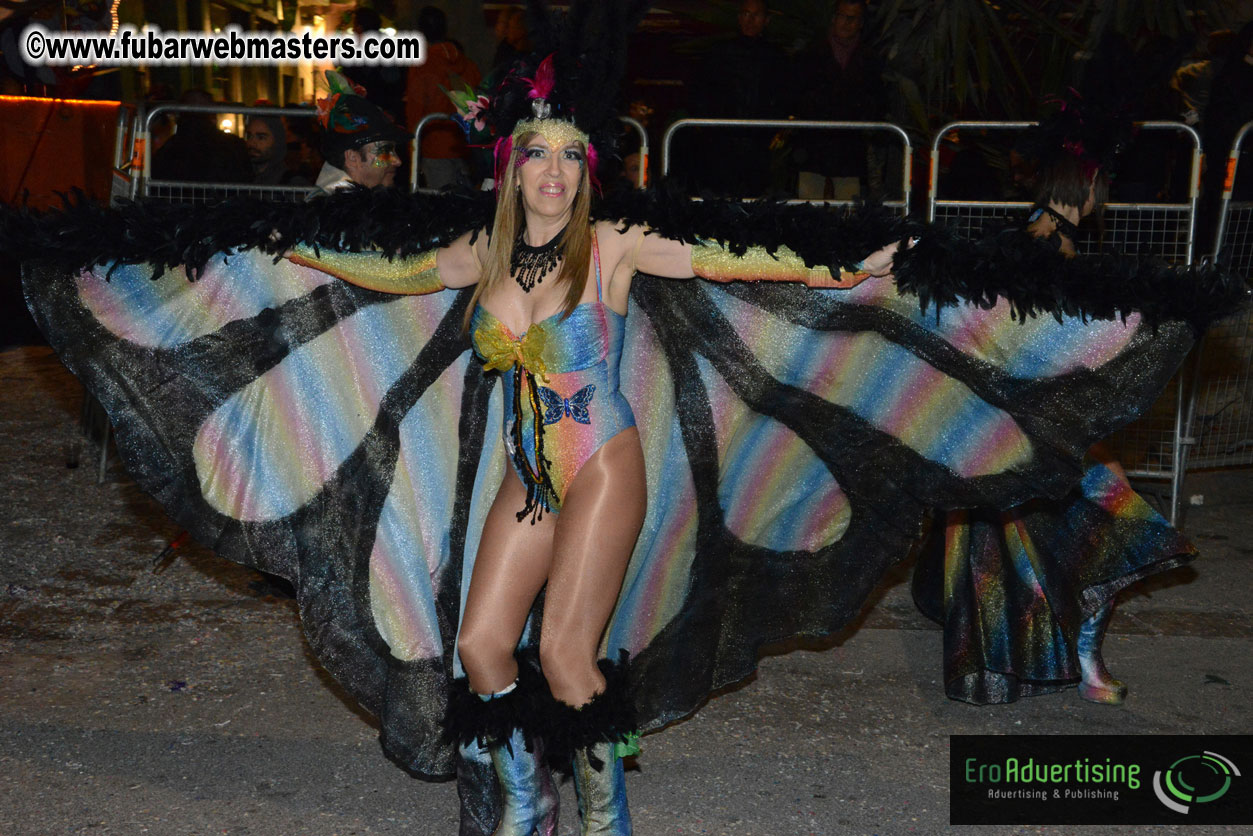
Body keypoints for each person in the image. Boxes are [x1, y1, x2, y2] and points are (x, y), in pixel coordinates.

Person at [11, 5, 1242, 836]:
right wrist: (274, 244)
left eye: (567, 156)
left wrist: (848, 266)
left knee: (564, 657)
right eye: (534, 154)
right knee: (478, 647)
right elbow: (373, 268)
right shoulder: (474, 255)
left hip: (601, 466)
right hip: (526, 475)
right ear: (509, 166)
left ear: (585, 170)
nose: (551, 171)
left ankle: (600, 810)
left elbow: (741, 257)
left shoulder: (612, 248)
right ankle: (520, 801)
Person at [912, 99, 1198, 707]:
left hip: (996, 428)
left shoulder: (1025, 238)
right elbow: (1051, 365)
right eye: (1104, 184)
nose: (1104, 197)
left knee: (1021, 545)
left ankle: (1034, 661)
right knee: (1114, 525)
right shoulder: (1054, 251)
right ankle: (1085, 661)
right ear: (1089, 182)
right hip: (1032, 429)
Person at [406, 5, 483, 190]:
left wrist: (412, 149)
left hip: (434, 147)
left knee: (440, 200)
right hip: (465, 147)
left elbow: (415, 110)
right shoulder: (469, 64)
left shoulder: (422, 65)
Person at [312, 71, 406, 195]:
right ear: (352, 158)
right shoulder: (333, 205)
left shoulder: (366, 199)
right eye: (385, 152)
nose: (397, 161)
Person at [245, 113, 311, 187]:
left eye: (261, 137)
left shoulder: (293, 183)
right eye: (249, 136)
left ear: (277, 141)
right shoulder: (244, 178)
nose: (252, 143)